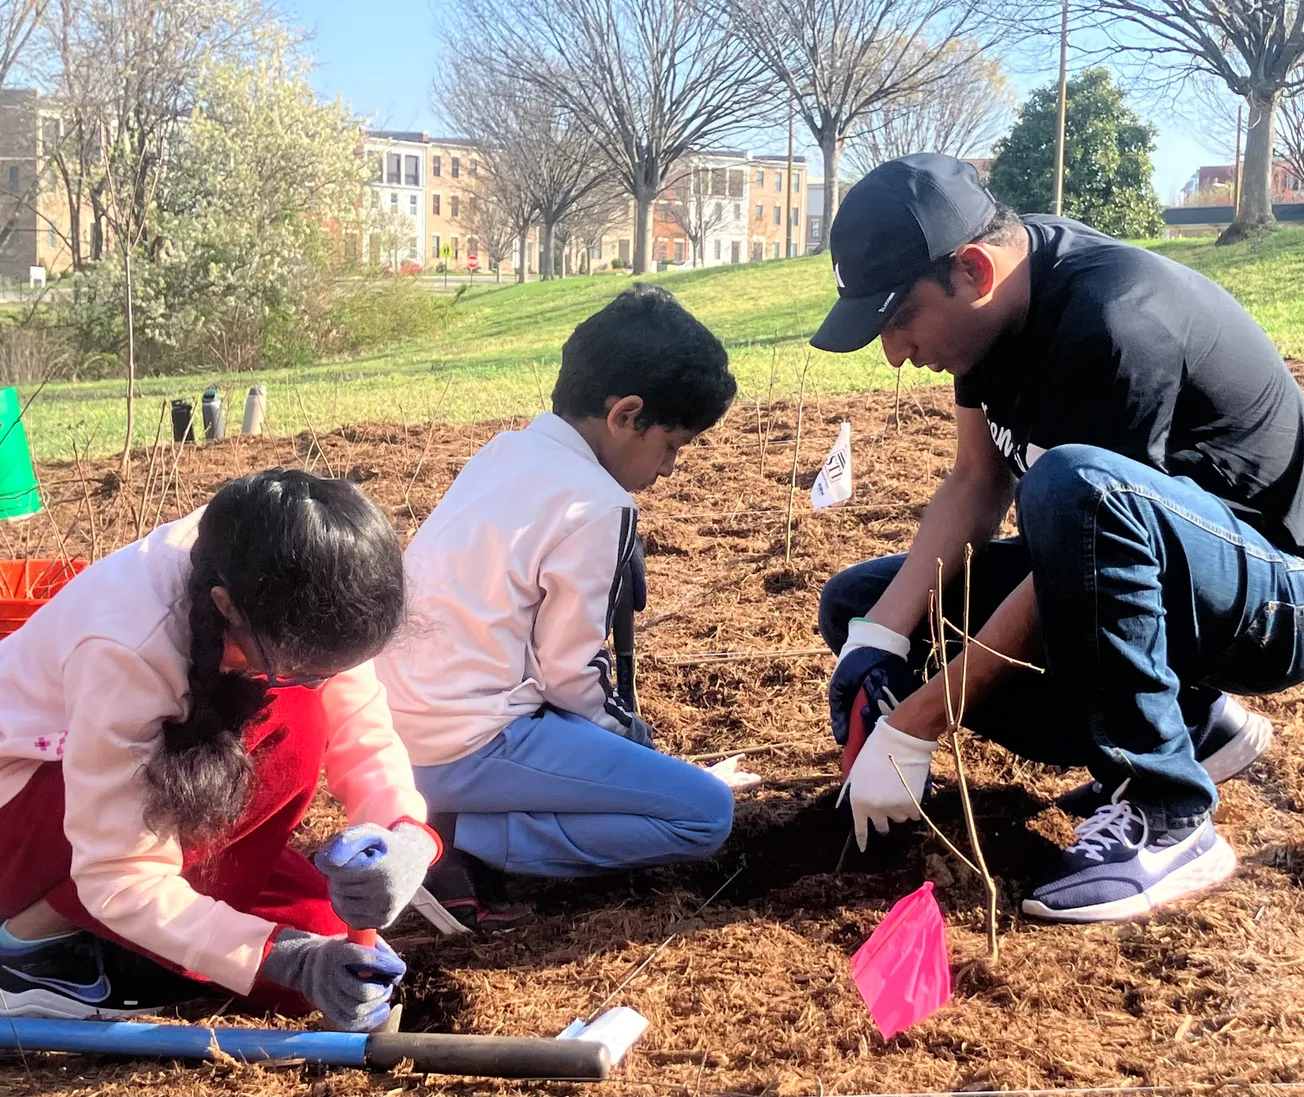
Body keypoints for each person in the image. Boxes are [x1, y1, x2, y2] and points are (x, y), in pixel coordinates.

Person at [811, 153, 1300, 923]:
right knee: (861, 602)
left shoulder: (1113, 320)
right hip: (1147, 574)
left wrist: (919, 722)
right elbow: (976, 483)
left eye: (899, 317)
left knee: (1072, 488)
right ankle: (1195, 727)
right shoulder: (995, 311)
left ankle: (1167, 811)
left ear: (971, 270)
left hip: (1269, 596)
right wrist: (878, 639)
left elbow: (1086, 546)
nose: (896, 352)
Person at [0, 470, 440, 1031]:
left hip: (122, 805)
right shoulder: (126, 645)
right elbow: (117, 873)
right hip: (24, 810)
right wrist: (280, 956)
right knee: (292, 720)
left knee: (324, 937)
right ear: (225, 606)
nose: (317, 679)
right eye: (303, 668)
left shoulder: (290, 572)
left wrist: (403, 834)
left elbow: (364, 724)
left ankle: (137, 942)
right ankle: (33, 949)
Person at [377, 283, 739, 929]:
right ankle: (463, 835)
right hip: (467, 742)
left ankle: (451, 820)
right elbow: (570, 675)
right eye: (672, 445)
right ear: (627, 414)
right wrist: (632, 743)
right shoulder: (599, 502)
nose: (671, 468)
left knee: (616, 764)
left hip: (392, 734)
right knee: (703, 811)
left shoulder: (502, 451)